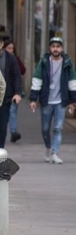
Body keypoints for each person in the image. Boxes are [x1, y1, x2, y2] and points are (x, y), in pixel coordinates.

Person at [29, 36, 76, 164]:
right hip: (46, 101)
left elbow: (72, 83)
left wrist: (73, 102)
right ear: (50, 48)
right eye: (53, 46)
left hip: (61, 101)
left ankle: (55, 152)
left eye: (58, 46)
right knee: (45, 129)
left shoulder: (67, 63)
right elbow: (37, 80)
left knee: (58, 128)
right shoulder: (44, 62)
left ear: (62, 48)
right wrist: (33, 99)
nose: (56, 49)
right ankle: (48, 148)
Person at [0, 37, 22, 149]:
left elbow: (16, 76)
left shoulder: (10, 58)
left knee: (2, 127)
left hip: (4, 98)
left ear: (2, 44)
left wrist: (17, 93)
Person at [4, 40, 26, 142]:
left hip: (13, 92)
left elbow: (22, 70)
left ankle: (13, 132)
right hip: (3, 92)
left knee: (12, 112)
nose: (11, 50)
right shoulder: (2, 59)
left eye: (12, 48)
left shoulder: (14, 59)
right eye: (9, 48)